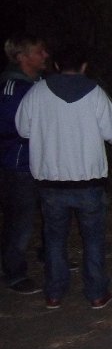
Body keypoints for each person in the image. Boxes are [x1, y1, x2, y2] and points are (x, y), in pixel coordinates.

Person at [15, 42, 112, 309]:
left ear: (57, 65)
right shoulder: (96, 93)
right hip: (89, 180)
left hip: (51, 181)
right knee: (93, 239)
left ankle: (54, 292)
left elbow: (23, 129)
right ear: (84, 66)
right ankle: (96, 292)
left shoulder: (37, 92)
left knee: (54, 238)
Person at [0, 33, 49, 294]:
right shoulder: (11, 88)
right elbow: (10, 128)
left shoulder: (40, 84)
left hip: (44, 163)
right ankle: (14, 271)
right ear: (21, 57)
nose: (45, 55)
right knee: (20, 219)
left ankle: (49, 254)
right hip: (18, 164)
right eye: (39, 51)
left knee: (50, 212)